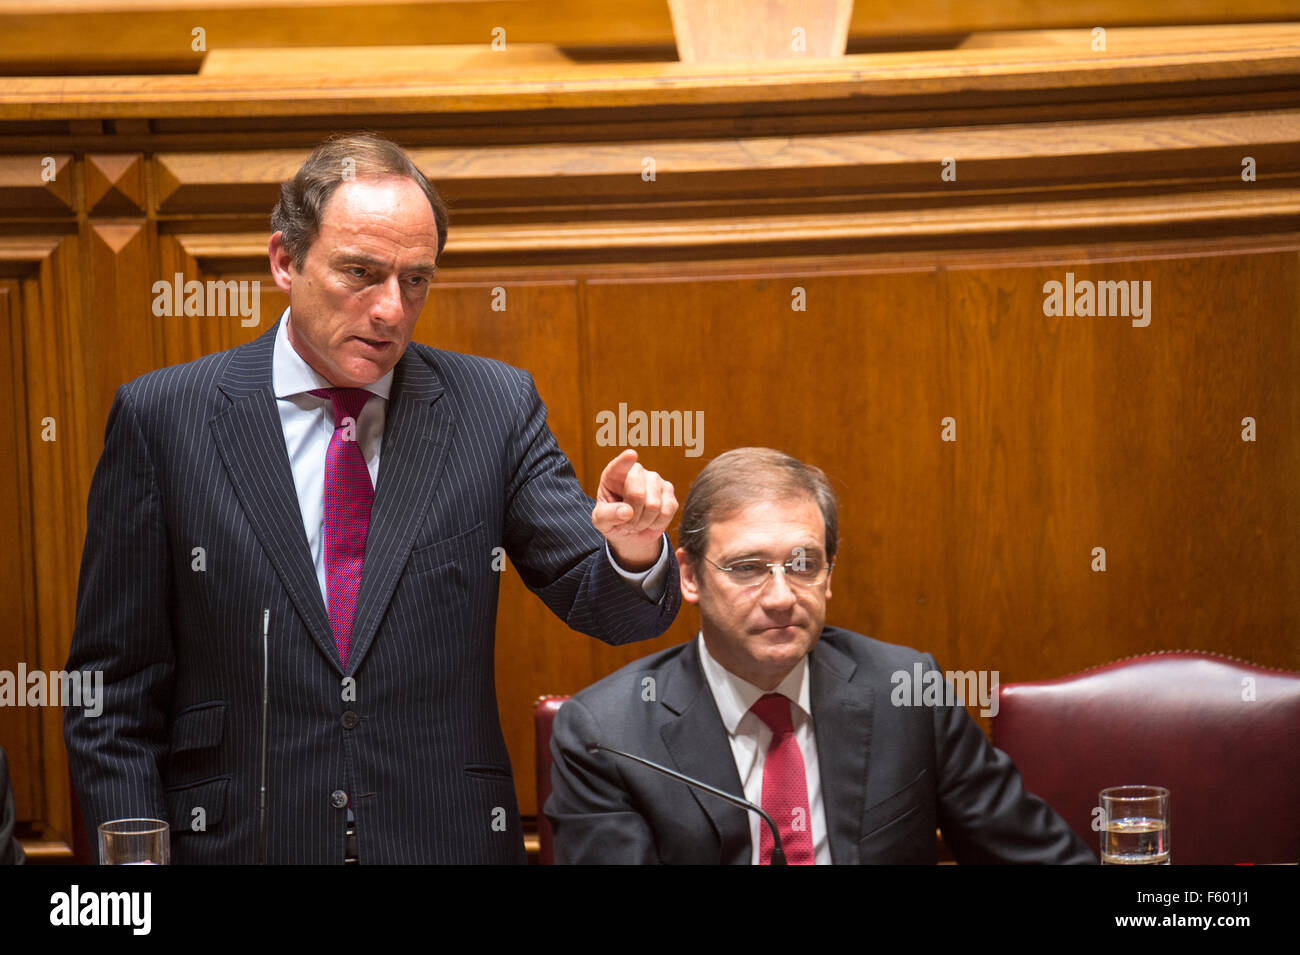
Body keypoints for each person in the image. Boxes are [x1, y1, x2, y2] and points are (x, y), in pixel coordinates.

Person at [63, 132, 680, 864]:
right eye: (361, 272)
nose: (391, 309)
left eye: (415, 280)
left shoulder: (493, 406)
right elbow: (111, 697)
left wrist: (633, 547)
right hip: (240, 844)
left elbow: (610, 605)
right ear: (285, 261)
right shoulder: (166, 418)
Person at [546, 447, 1094, 864]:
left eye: (804, 563)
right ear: (689, 576)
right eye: (747, 567)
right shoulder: (608, 734)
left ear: (829, 574)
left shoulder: (905, 690)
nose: (782, 596)